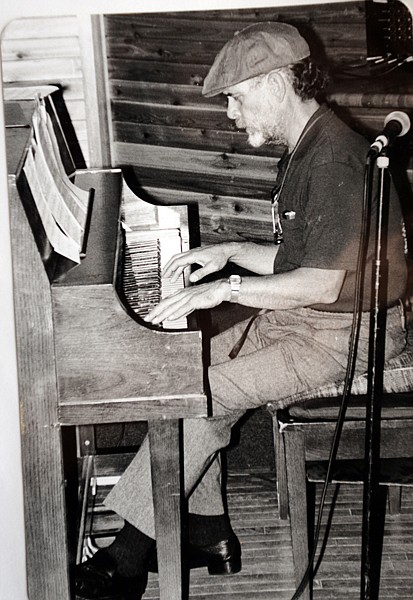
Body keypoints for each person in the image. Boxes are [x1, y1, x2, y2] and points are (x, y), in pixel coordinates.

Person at [75, 21, 408, 600]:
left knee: (197, 396)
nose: (230, 112)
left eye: (235, 96)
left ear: (276, 82)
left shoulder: (331, 159)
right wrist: (227, 251)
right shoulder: (312, 143)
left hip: (347, 333)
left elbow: (322, 284)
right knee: (192, 379)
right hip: (313, 319)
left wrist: (225, 288)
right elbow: (300, 257)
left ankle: (123, 559)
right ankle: (208, 533)